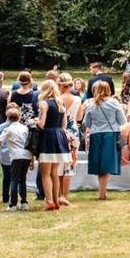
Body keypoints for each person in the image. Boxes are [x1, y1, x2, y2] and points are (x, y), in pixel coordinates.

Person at [0, 107, 33, 211]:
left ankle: (13, 204)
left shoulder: (8, 129)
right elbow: (30, 143)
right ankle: (24, 202)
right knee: (22, 180)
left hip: (16, 156)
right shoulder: (25, 128)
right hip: (27, 155)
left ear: (8, 117)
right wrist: (32, 159)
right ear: (19, 117)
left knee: (14, 179)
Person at [83, 81, 126, 200]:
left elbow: (87, 123)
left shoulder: (90, 104)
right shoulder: (114, 103)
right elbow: (122, 121)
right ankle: (102, 193)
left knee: (99, 165)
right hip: (110, 135)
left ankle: (102, 192)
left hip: (96, 135)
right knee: (106, 165)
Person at [37, 79, 71, 210]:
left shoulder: (44, 103)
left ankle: (49, 201)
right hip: (59, 136)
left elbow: (42, 124)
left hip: (48, 137)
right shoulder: (60, 103)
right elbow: (64, 125)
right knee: (54, 173)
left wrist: (35, 121)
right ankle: (56, 201)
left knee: (45, 173)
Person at [9, 70, 43, 200]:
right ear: (31, 81)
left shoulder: (13, 94)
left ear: (19, 80)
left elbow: (9, 108)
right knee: (31, 148)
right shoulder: (35, 94)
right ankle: (31, 163)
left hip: (17, 125)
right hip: (31, 126)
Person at [57, 72, 80, 202]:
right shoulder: (77, 99)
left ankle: (59, 194)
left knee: (59, 162)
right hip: (72, 131)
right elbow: (79, 117)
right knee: (70, 163)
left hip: (60, 131)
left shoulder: (57, 99)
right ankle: (65, 196)